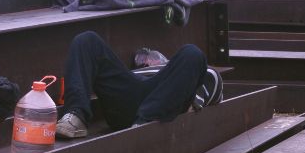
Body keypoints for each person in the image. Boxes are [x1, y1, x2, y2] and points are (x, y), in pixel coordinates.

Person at [56, 31, 208, 138]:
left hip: (162, 106)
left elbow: (212, 81)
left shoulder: (185, 67)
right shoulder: (142, 72)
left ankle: (143, 126)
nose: (149, 61)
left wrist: (191, 93)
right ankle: (76, 115)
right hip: (130, 97)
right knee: (87, 39)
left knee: (193, 52)